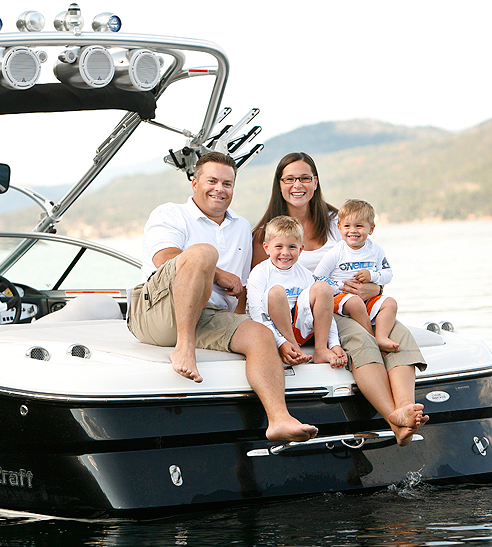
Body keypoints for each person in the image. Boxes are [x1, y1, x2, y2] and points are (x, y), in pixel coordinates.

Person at [128, 152, 318, 443]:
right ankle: (184, 346)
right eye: (212, 181)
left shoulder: (242, 226)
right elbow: (163, 257)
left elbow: (243, 284)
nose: (220, 189)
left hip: (210, 314)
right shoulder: (170, 213)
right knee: (203, 252)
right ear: (194, 183)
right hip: (158, 309)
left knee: (259, 334)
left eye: (227, 183)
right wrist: (217, 273)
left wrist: (251, 322)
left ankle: (279, 418)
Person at [252, 152, 428, 446]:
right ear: (279, 184)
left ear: (316, 182)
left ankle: (405, 410)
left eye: (305, 178)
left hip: (356, 300)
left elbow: (369, 263)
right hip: (317, 310)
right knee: (360, 339)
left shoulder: (339, 221)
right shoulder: (266, 232)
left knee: (399, 334)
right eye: (290, 179)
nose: (298, 185)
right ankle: (393, 417)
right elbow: (261, 293)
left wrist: (375, 289)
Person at [247, 215, 348, 368]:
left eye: (292, 247)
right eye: (279, 246)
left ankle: (321, 349)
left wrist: (334, 343)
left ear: (301, 249)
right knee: (276, 292)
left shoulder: (305, 274)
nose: (285, 252)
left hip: (302, 329)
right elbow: (256, 313)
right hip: (272, 331)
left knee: (322, 287)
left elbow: (326, 312)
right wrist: (281, 342)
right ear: (267, 248)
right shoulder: (259, 273)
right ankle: (292, 348)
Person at [314, 199, 400, 354]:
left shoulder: (375, 250)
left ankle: (381, 336)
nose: (352, 230)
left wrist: (372, 275)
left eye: (359, 226)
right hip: (341, 299)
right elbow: (317, 277)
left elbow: (388, 274)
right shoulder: (336, 252)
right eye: (347, 226)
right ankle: (371, 338)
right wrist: (340, 286)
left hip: (368, 298)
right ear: (339, 228)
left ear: (371, 229)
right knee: (355, 302)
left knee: (391, 303)